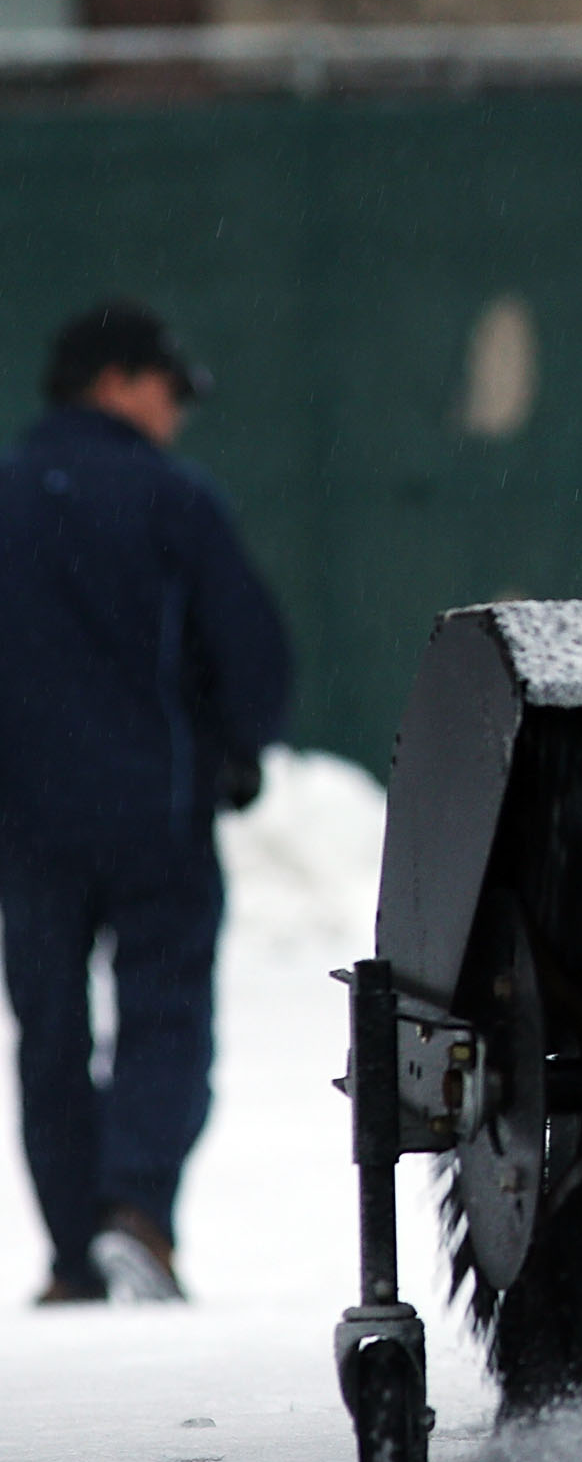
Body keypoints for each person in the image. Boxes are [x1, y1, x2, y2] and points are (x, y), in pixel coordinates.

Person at [0, 301, 291, 1304]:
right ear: (117, 380)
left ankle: (77, 1252)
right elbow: (247, 644)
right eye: (169, 389)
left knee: (49, 1026)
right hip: (156, 809)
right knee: (164, 1007)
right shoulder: (174, 497)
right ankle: (138, 1215)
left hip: (28, 822)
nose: (175, 411)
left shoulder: (6, 493)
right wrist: (242, 747)